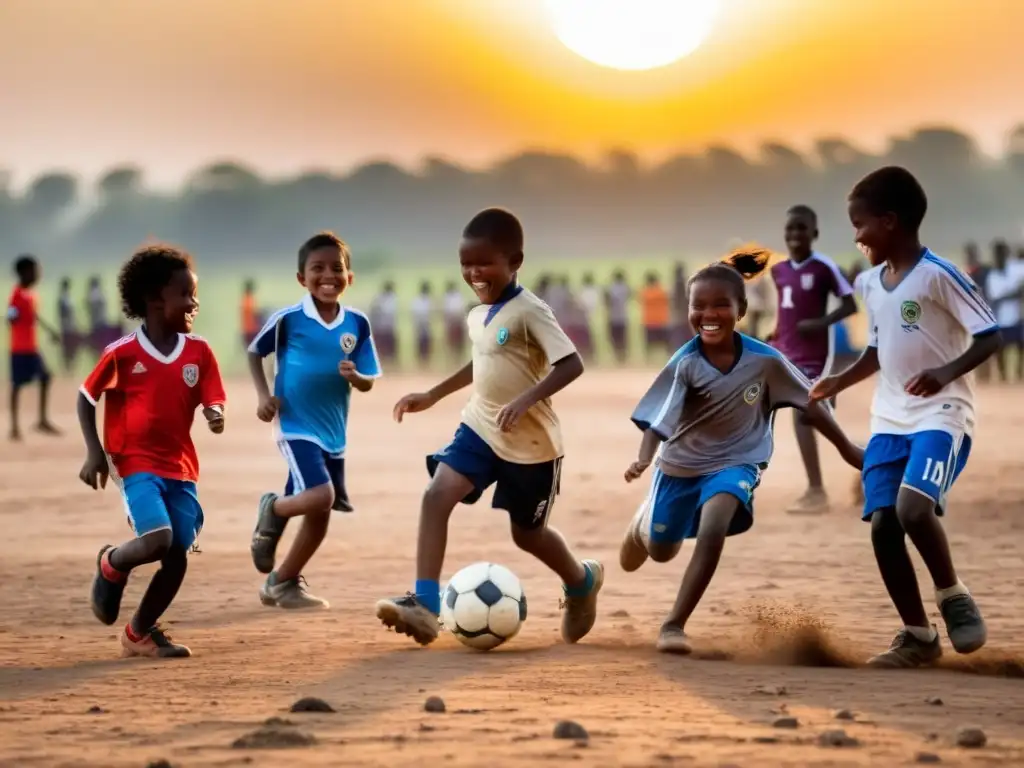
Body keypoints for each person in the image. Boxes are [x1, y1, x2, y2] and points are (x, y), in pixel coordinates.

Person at [374, 208, 603, 647]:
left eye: (484, 263)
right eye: (466, 263)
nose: (473, 272)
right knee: (437, 494)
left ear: (514, 261)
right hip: (480, 425)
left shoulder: (531, 311)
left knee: (527, 535)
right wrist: (434, 395)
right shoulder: (479, 313)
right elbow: (481, 364)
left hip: (532, 444)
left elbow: (572, 363)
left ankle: (580, 582)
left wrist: (525, 399)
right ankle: (425, 603)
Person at [620, 247, 864, 653]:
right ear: (688, 310)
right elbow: (657, 420)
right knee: (662, 551)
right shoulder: (686, 363)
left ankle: (673, 624)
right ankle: (644, 523)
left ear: (742, 309)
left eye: (721, 305)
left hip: (738, 461)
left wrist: (848, 450)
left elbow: (812, 406)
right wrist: (645, 457)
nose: (709, 314)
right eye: (699, 306)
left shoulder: (766, 361)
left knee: (716, 524)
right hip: (679, 466)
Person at [810, 166, 1000, 668]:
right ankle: (918, 635)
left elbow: (991, 335)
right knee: (884, 527)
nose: (856, 236)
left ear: (890, 221)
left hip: (942, 414)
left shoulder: (938, 275)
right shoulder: (870, 282)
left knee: (915, 510)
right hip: (889, 420)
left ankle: (953, 595)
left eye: (860, 224)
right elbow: (876, 351)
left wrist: (945, 373)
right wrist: (838, 381)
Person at [81, 244, 226, 658]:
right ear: (154, 300)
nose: (194, 302)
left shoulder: (199, 352)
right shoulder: (122, 354)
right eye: (186, 294)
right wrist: (95, 453)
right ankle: (112, 563)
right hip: (134, 462)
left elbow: (212, 396)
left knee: (176, 555)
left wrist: (215, 413)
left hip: (180, 467)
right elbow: (86, 397)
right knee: (159, 540)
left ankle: (138, 633)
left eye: (194, 294)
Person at [248, 232, 381, 609]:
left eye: (336, 268)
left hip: (333, 432)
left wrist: (357, 378)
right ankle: (271, 509)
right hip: (295, 425)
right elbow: (255, 352)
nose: (328, 276)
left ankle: (282, 582)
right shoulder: (289, 320)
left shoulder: (357, 324)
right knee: (323, 496)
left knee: (319, 513)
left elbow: (369, 379)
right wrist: (263, 396)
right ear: (301, 278)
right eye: (317, 268)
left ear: (349, 277)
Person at [769, 207, 858, 515]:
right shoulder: (778, 271)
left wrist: (821, 323)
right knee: (821, 417)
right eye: (790, 229)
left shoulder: (823, 268)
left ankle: (816, 490)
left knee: (804, 412)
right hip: (785, 354)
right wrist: (775, 334)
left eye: (801, 229)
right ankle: (870, 464)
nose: (795, 235)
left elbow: (849, 305)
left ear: (814, 233)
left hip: (815, 358)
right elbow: (785, 311)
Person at [7, 255, 60, 440]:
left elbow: (34, 316)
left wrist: (50, 331)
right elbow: (11, 313)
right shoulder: (17, 295)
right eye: (34, 271)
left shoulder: (30, 295)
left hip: (31, 347)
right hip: (19, 348)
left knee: (45, 377)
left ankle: (42, 420)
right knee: (17, 385)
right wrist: (11, 317)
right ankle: (14, 427)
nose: (37, 275)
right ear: (24, 273)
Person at [984, 240, 1023, 382]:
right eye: (997, 254)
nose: (999, 256)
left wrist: (1004, 297)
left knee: (1020, 347)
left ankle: (1019, 376)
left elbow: (1020, 291)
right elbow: (992, 298)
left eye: (1002, 253)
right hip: (999, 318)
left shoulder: (1016, 270)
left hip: (1016, 315)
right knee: (1000, 351)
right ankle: (1003, 377)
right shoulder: (992, 275)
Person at [640, 271, 671, 361]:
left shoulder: (645, 292)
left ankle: (648, 359)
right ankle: (668, 357)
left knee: (649, 344)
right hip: (662, 320)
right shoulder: (662, 291)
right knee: (666, 343)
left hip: (649, 321)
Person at [369, 281, 398, 367]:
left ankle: (387, 365)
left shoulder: (382, 298)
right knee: (383, 349)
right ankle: (384, 365)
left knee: (386, 349)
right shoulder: (388, 298)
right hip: (383, 327)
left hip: (385, 327)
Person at [606, 270, 631, 363]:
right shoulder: (626, 288)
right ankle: (623, 357)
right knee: (623, 338)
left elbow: (607, 301)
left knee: (615, 339)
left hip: (613, 316)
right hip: (623, 317)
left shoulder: (610, 288)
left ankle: (617, 357)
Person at [57, 276, 79, 373]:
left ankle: (70, 369)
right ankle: (67, 370)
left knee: (71, 349)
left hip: (70, 326)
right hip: (66, 327)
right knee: (67, 349)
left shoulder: (68, 298)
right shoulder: (63, 299)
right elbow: (62, 313)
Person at [442, 280, 468, 360]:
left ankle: (455, 359)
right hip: (455, 322)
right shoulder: (456, 296)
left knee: (455, 343)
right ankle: (455, 359)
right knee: (455, 343)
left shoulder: (451, 297)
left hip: (455, 322)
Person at [411, 281, 434, 367]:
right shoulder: (424, 300)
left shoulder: (418, 300)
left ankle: (424, 365)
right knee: (423, 347)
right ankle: (423, 365)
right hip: (422, 326)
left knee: (424, 347)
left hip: (423, 326)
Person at [240, 278, 261, 349]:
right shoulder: (249, 301)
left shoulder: (244, 299)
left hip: (246, 330)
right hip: (251, 331)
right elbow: (256, 314)